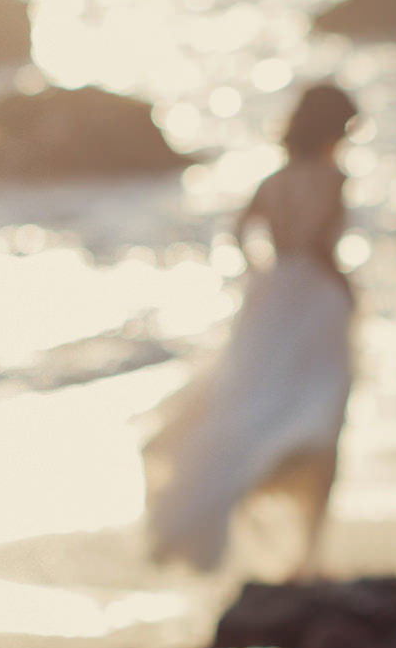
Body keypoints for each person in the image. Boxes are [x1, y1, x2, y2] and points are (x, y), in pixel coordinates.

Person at [143, 82, 361, 579]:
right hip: (317, 302)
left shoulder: (275, 180)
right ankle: (308, 554)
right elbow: (321, 246)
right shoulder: (331, 178)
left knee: (252, 401)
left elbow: (240, 231)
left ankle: (248, 499)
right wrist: (343, 289)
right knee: (322, 418)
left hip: (272, 299)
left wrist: (264, 274)